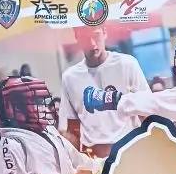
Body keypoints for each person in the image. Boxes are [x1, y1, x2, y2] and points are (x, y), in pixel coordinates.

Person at [59, 25, 148, 158]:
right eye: (85, 38)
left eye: (96, 35)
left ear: (105, 32)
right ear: (77, 36)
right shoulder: (70, 77)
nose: (92, 43)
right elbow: (73, 129)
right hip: (93, 157)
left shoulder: (127, 64)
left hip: (130, 153)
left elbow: (147, 114)